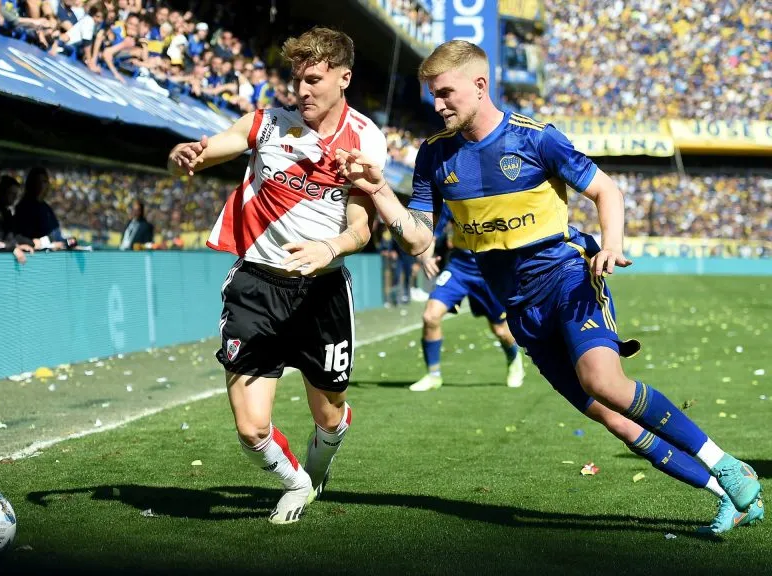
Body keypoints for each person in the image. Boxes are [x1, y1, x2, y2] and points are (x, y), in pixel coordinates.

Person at [334, 40, 762, 534]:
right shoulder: (434, 155)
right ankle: (728, 493)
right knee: (615, 419)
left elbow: (606, 189)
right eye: (433, 95)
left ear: (480, 85)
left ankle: (725, 461)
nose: (438, 104)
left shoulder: (535, 138)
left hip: (569, 279)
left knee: (605, 382)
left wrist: (610, 244)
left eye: (446, 92)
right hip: (519, 308)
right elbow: (418, 240)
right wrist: (381, 191)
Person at [166, 26, 386, 525]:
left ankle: (322, 455)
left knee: (329, 417)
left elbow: (361, 227)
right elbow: (202, 152)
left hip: (323, 290)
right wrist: (182, 154)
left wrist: (329, 246)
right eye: (296, 79)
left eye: (314, 79)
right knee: (250, 428)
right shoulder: (266, 125)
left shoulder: (364, 139)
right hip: (257, 287)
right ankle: (297, 482)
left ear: (343, 78)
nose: (302, 90)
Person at [409, 202, 525, 391]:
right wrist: (427, 257)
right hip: (459, 268)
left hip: (491, 271)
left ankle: (514, 359)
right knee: (430, 316)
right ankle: (433, 375)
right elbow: (431, 235)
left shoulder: (500, 196)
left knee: (501, 331)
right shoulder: (451, 199)